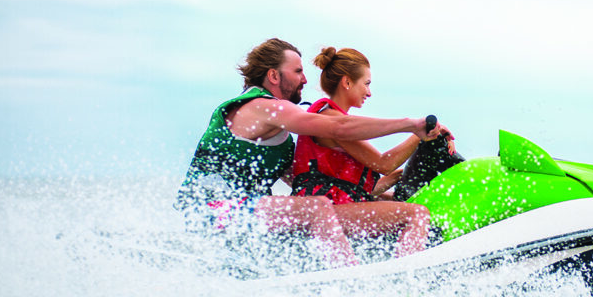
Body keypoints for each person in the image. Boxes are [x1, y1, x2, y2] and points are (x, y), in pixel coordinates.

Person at [176, 38, 446, 267]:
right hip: (209, 209)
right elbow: (338, 127)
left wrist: (387, 192)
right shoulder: (262, 106)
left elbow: (305, 181)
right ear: (273, 76)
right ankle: (350, 277)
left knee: (318, 204)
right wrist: (411, 125)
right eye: (297, 72)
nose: (305, 79)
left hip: (246, 214)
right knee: (317, 207)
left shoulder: (277, 137)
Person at [292, 47, 454, 258]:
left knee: (401, 205)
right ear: (347, 82)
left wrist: (399, 178)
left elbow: (351, 188)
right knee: (416, 214)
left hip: (334, 208)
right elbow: (383, 163)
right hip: (322, 213)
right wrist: (419, 135)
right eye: (366, 84)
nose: (369, 92)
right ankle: (405, 278)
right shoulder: (331, 121)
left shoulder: (334, 118)